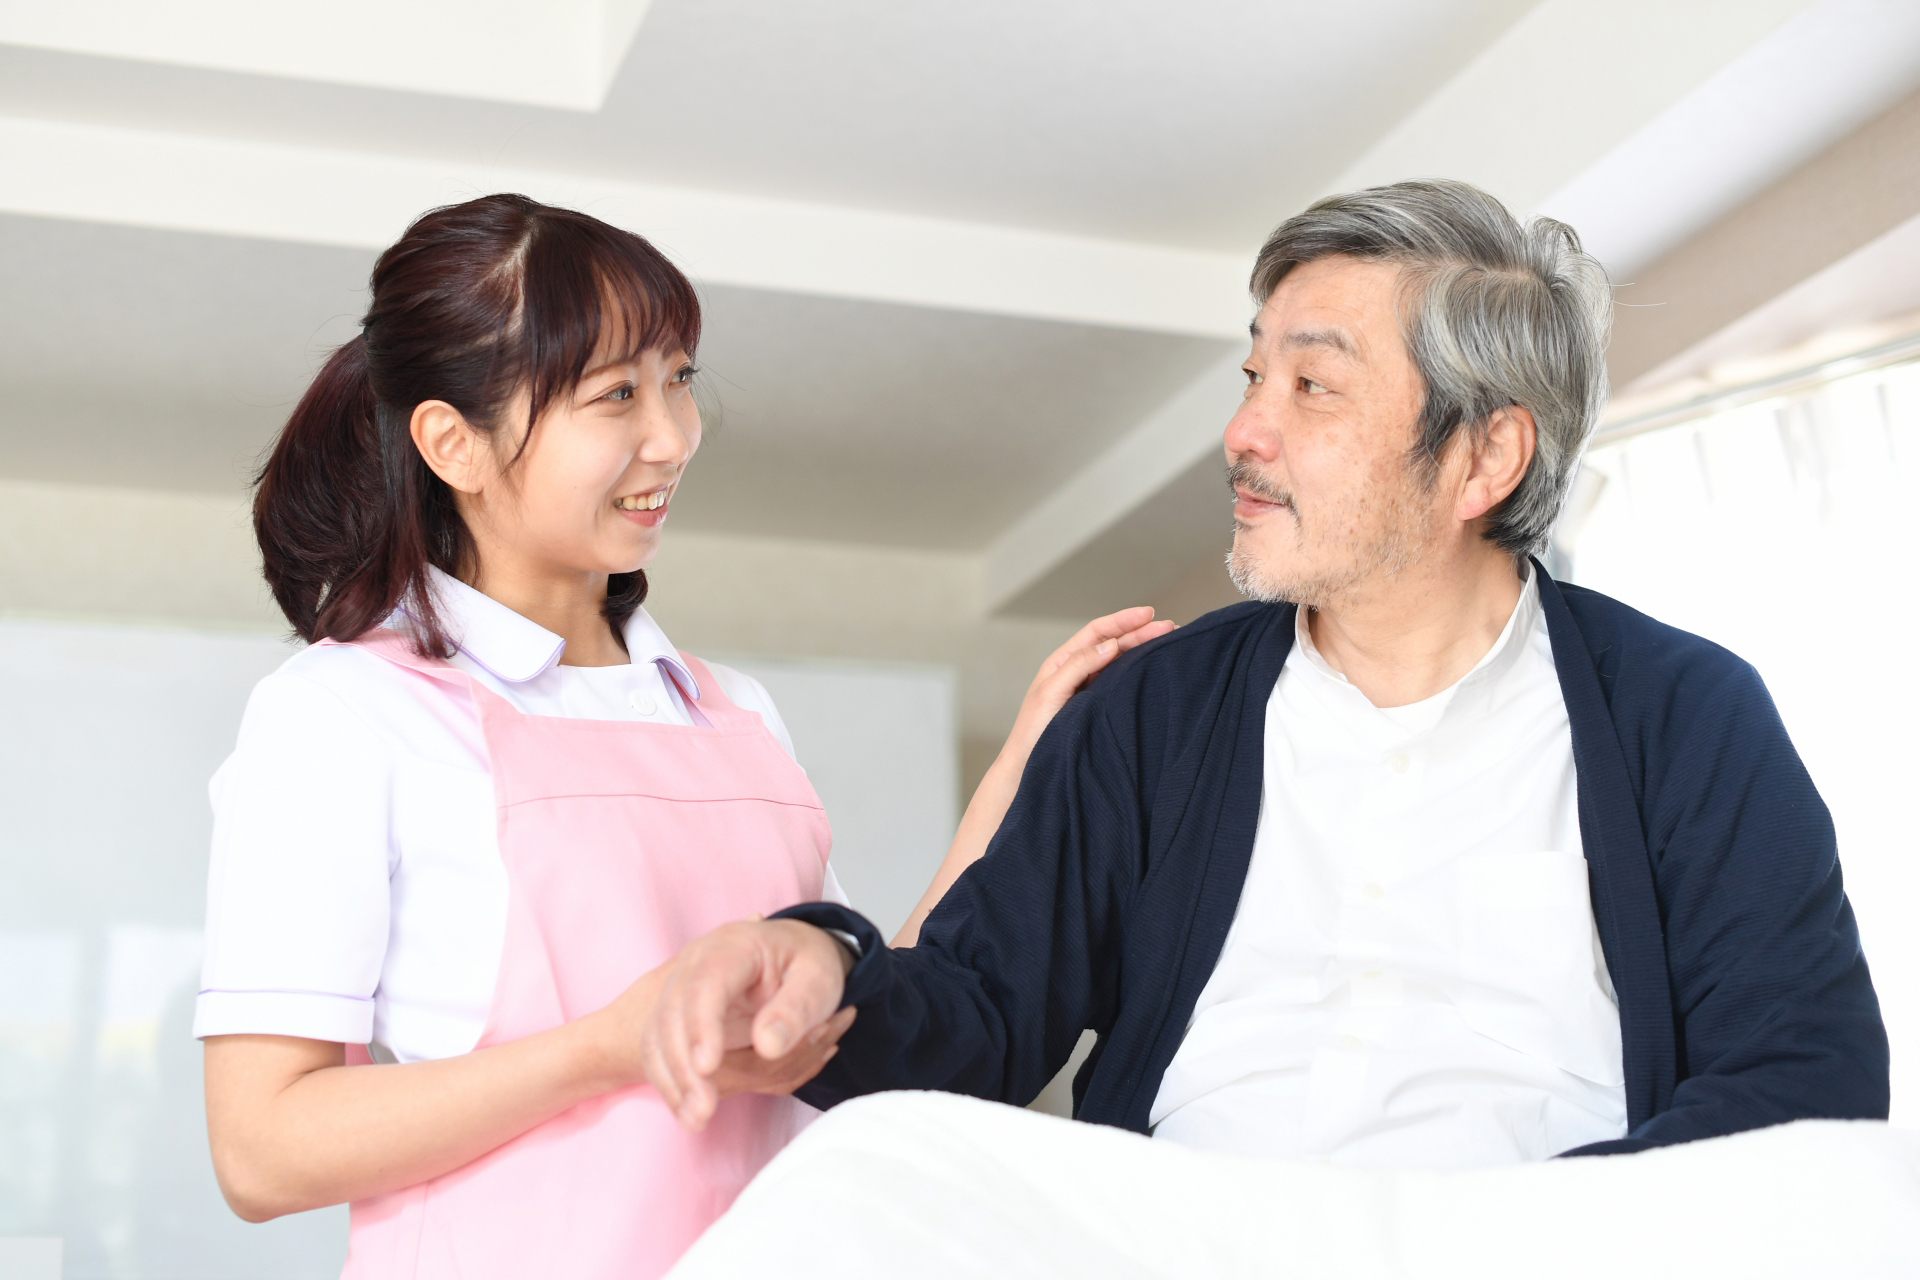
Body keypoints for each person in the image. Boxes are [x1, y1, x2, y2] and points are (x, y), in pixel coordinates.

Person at [637, 180, 1890, 1165]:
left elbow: (1805, 1078)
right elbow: (980, 1011)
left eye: (1313, 386)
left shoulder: (1687, 716)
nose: (1244, 430)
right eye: (1253, 377)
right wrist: (828, 971)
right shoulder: (1150, 710)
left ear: (1484, 458)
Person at [194, 193, 1169, 1280]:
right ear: (453, 443)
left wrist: (1030, 762)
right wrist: (611, 1045)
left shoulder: (731, 710)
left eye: (679, 378)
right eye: (617, 394)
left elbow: (865, 1011)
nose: (674, 435)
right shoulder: (344, 713)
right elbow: (262, 1149)